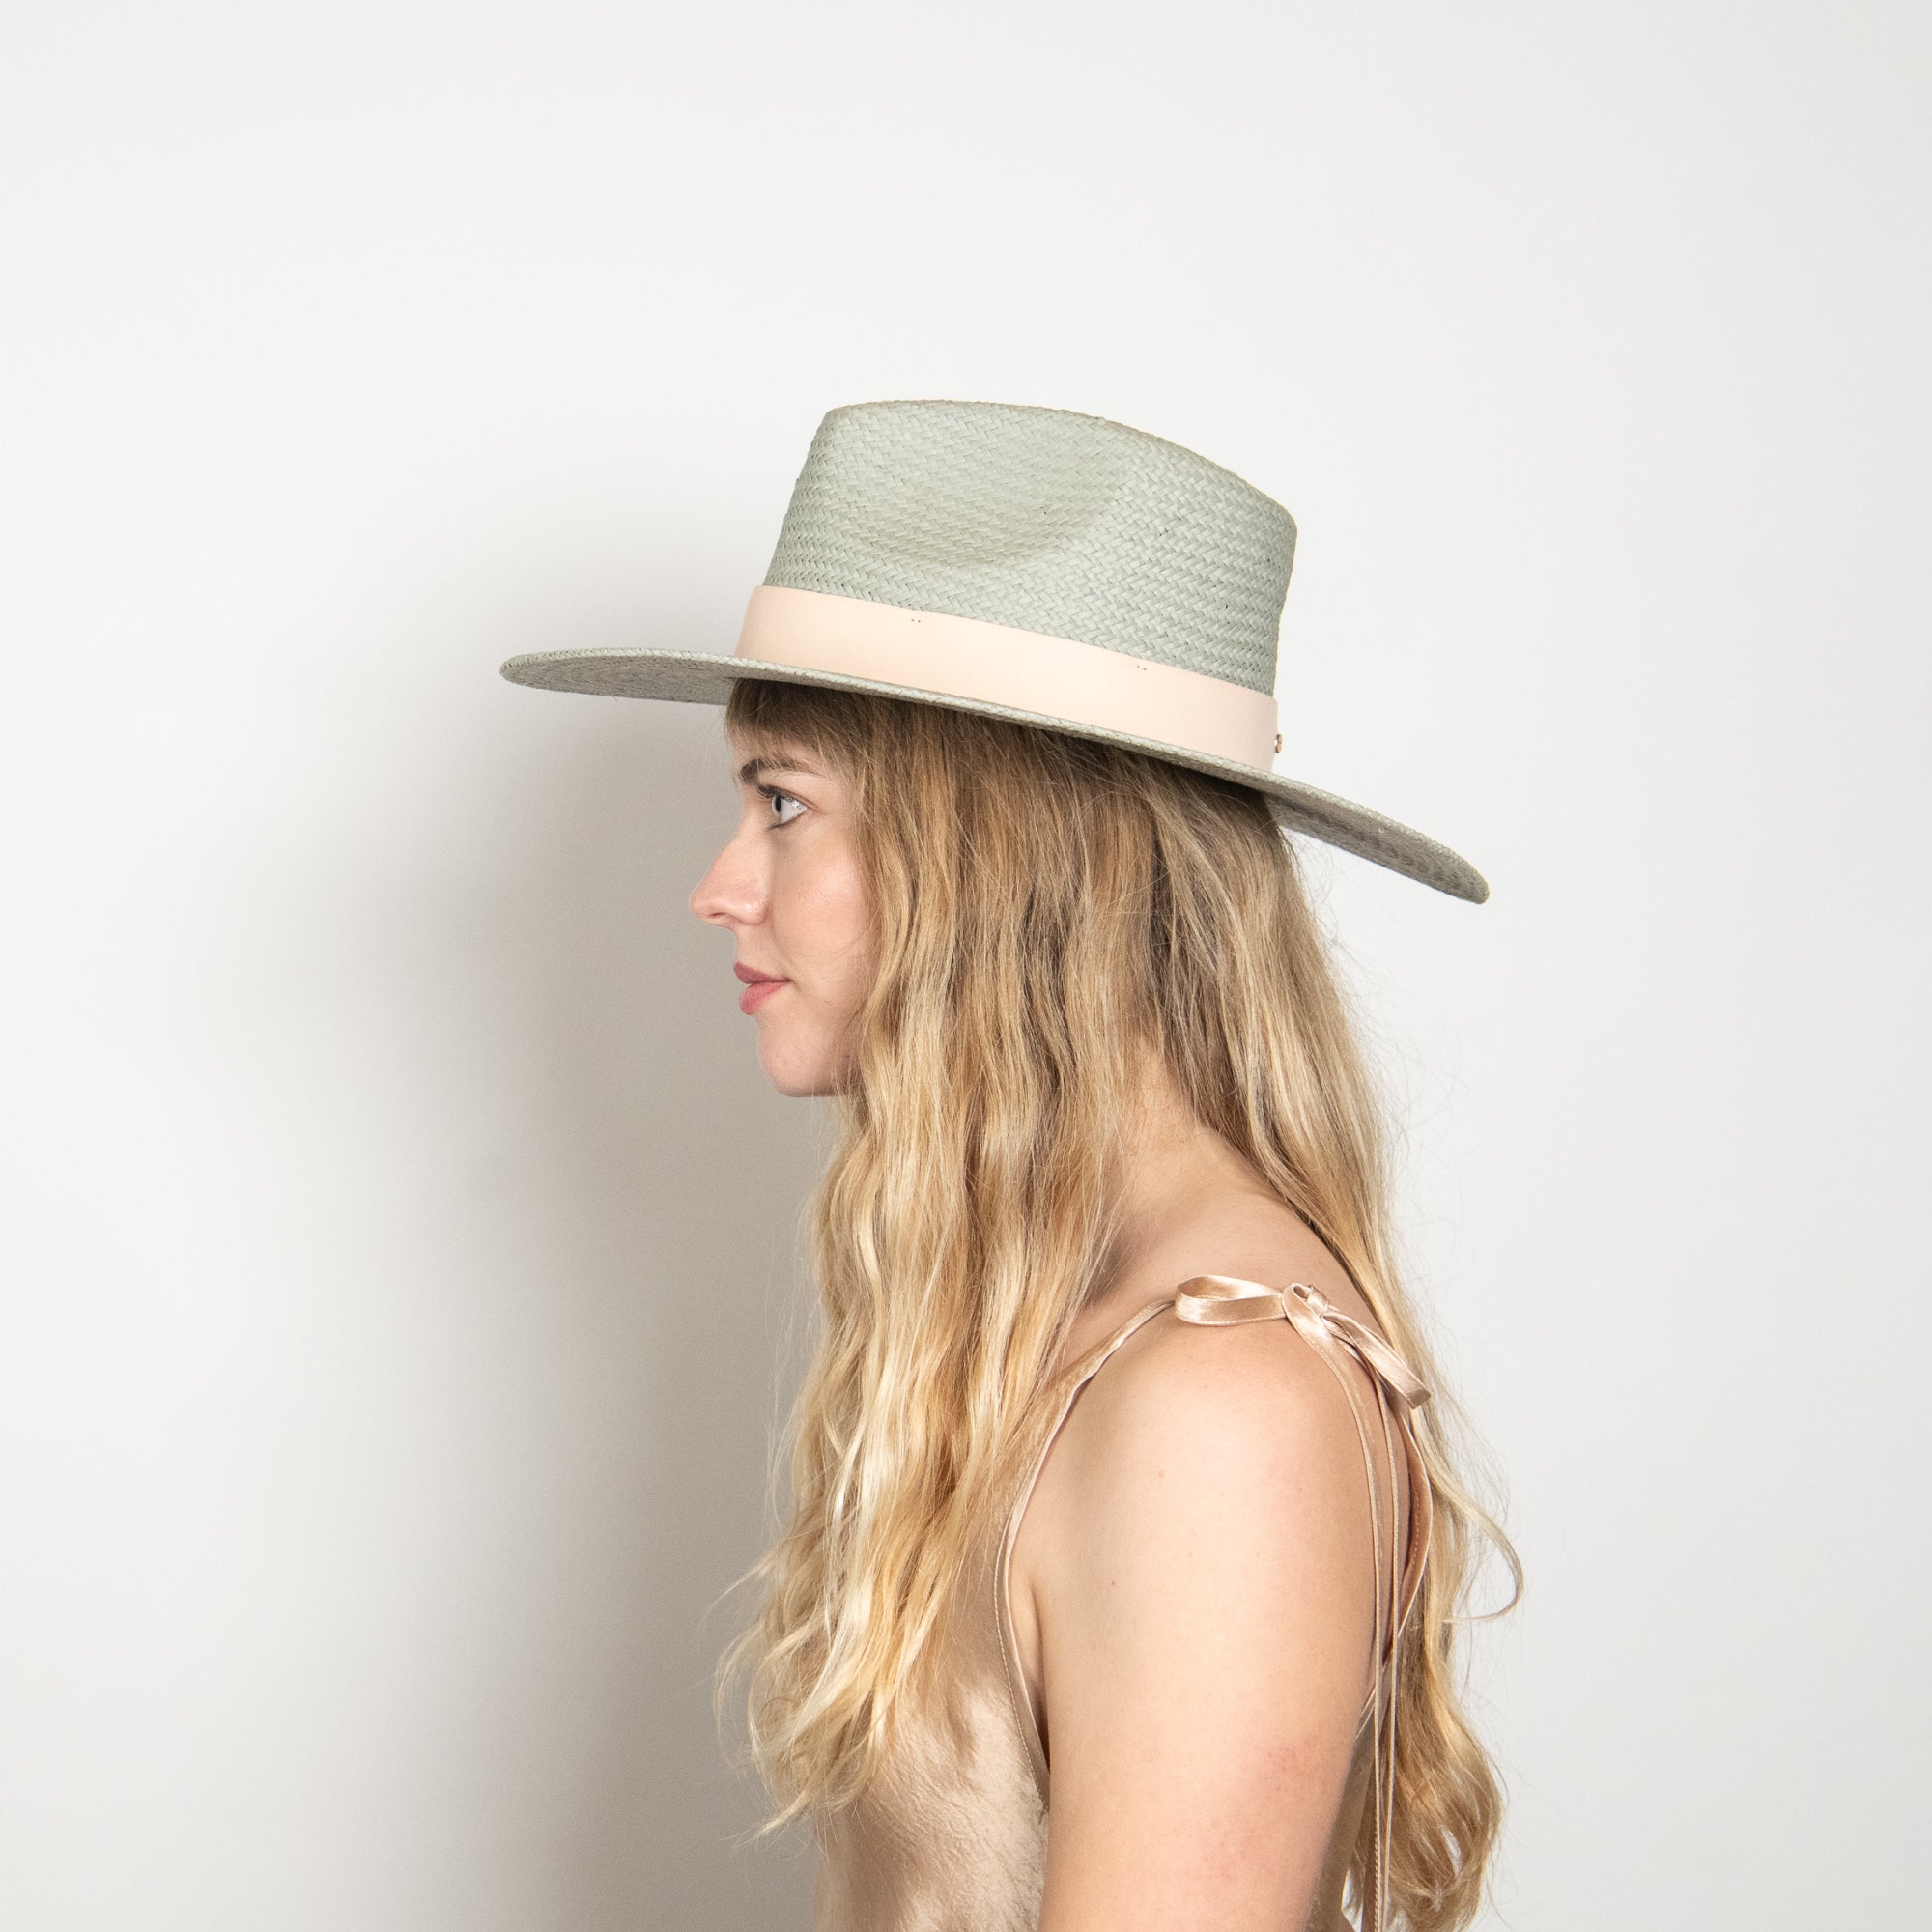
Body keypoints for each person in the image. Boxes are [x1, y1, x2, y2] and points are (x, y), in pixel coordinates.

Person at [501, 400, 1516, 1932]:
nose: (718, 887)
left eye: (783, 802)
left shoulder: (1218, 1404)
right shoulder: (1063, 1315)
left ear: (999, 854)